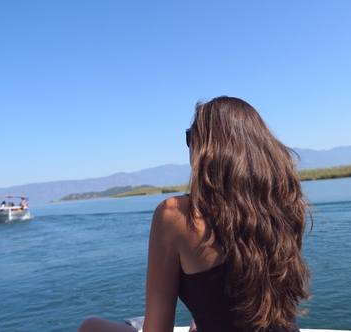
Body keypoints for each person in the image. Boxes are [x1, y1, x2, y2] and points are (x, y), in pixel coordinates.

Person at [78, 96, 312, 332]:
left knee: (91, 326)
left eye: (190, 136)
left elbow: (157, 330)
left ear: (203, 147)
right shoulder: (282, 207)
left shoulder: (176, 214)